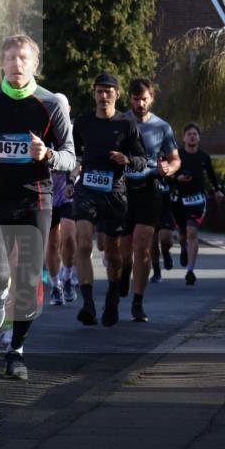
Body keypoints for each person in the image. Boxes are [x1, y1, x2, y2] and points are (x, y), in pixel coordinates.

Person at [0, 35, 75, 380]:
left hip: (35, 200)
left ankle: (17, 350)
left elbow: (70, 156)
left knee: (27, 278)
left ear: (34, 65)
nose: (17, 64)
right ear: (2, 62)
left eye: (23, 58)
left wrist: (49, 155)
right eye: (10, 58)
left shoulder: (50, 104)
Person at [71, 75, 147, 326]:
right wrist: (73, 172)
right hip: (87, 189)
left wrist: (126, 159)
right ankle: (88, 304)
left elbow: (141, 159)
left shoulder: (127, 124)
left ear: (117, 94)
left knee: (113, 252)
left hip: (114, 191)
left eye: (108, 92)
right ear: (94, 94)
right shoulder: (82, 122)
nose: (103, 97)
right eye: (99, 92)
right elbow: (73, 153)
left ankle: (112, 298)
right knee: (82, 243)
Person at [119, 79, 181, 322]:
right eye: (136, 99)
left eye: (144, 99)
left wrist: (169, 169)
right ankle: (125, 270)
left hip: (150, 188)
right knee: (123, 253)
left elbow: (176, 159)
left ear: (151, 98)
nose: (140, 103)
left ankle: (137, 302)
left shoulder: (162, 127)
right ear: (130, 100)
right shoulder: (120, 122)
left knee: (142, 245)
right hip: (122, 190)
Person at [172, 123, 224, 285]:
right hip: (179, 200)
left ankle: (190, 270)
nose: (192, 136)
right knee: (182, 234)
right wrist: (177, 178)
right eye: (189, 134)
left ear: (199, 138)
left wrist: (217, 190)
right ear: (184, 137)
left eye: (195, 134)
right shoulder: (177, 155)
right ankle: (183, 247)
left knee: (192, 232)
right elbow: (167, 175)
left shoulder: (204, 157)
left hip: (197, 200)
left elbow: (211, 175)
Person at [45, 92, 78, 307]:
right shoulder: (44, 130)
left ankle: (67, 277)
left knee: (68, 238)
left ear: (68, 110)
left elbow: (79, 159)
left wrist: (72, 180)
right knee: (52, 242)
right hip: (47, 191)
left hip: (69, 191)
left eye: (61, 108)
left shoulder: (75, 132)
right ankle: (55, 284)